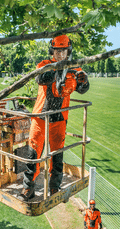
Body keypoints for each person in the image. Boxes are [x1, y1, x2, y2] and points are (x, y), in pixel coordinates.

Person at [18, 34, 89, 201]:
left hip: (59, 117)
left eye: (64, 51)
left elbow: (83, 88)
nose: (61, 55)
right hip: (40, 116)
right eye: (57, 51)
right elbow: (39, 78)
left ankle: (54, 186)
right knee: (33, 153)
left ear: (68, 51)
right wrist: (58, 71)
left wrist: (83, 81)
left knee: (57, 154)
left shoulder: (75, 68)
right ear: (52, 51)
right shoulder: (45, 65)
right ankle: (28, 188)